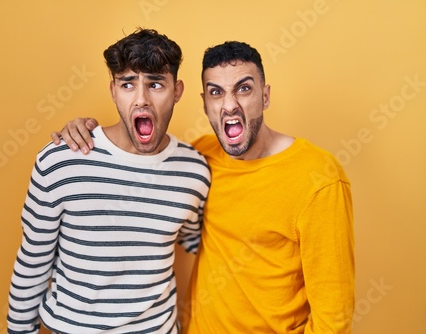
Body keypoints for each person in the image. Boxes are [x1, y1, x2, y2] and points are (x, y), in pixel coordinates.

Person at [52, 41, 355, 333]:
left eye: (244, 89)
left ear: (265, 96)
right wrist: (87, 133)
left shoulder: (319, 179)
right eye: (216, 92)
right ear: (204, 103)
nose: (229, 105)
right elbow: (139, 174)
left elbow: (334, 320)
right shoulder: (199, 159)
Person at [7, 28, 210, 334]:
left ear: (177, 90)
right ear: (114, 90)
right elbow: (32, 263)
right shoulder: (62, 160)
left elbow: (200, 240)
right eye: (128, 84)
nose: (141, 99)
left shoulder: (194, 170)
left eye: (155, 84)